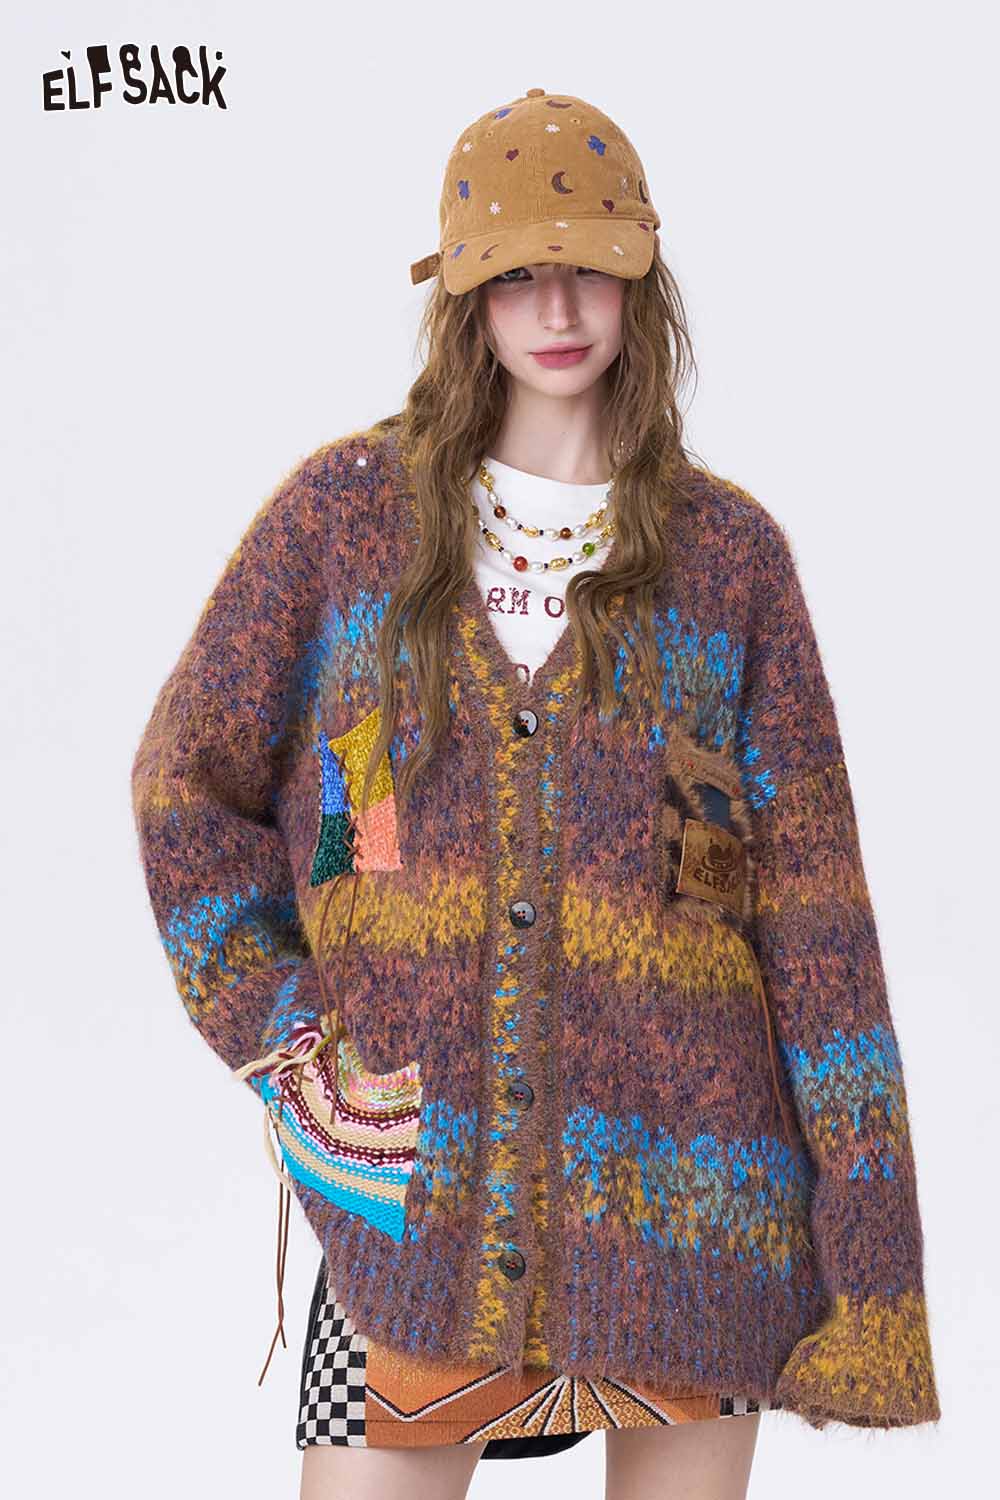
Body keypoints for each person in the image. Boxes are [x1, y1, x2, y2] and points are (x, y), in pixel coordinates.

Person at [130, 88, 940, 1500]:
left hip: (694, 1211)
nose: (555, 307)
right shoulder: (343, 523)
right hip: (405, 1208)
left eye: (588, 266)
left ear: (642, 276)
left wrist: (875, 1271)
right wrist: (293, 1050)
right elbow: (183, 792)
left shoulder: (731, 562)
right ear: (465, 298)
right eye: (514, 275)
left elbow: (818, 930)